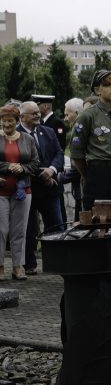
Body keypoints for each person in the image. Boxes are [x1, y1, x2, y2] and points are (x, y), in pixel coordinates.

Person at [69, 70, 111, 212]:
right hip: (98, 173)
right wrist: (88, 175)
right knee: (99, 220)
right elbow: (76, 153)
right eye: (107, 84)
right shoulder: (87, 116)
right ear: (97, 90)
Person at [17, 101, 64, 276]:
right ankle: (30, 264)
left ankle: (57, 263)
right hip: (27, 189)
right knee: (28, 230)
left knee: (56, 226)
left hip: (49, 189)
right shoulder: (16, 135)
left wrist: (51, 170)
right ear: (22, 117)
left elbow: (59, 153)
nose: (38, 115)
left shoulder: (48, 131)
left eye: (38, 112)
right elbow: (19, 161)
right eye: (33, 113)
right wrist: (41, 173)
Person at [0, 105, 40, 281]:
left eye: (10, 120)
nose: (6, 124)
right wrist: (8, 166)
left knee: (20, 231)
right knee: (1, 230)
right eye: (3, 120)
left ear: (17, 121)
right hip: (1, 192)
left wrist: (22, 168)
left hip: (23, 191)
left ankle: (18, 266)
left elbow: (35, 162)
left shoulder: (28, 139)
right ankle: (0, 266)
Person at [62, 97, 84, 220]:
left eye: (67, 114)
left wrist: (62, 177)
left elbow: (79, 161)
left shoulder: (79, 129)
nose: (65, 118)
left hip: (82, 184)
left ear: (76, 113)